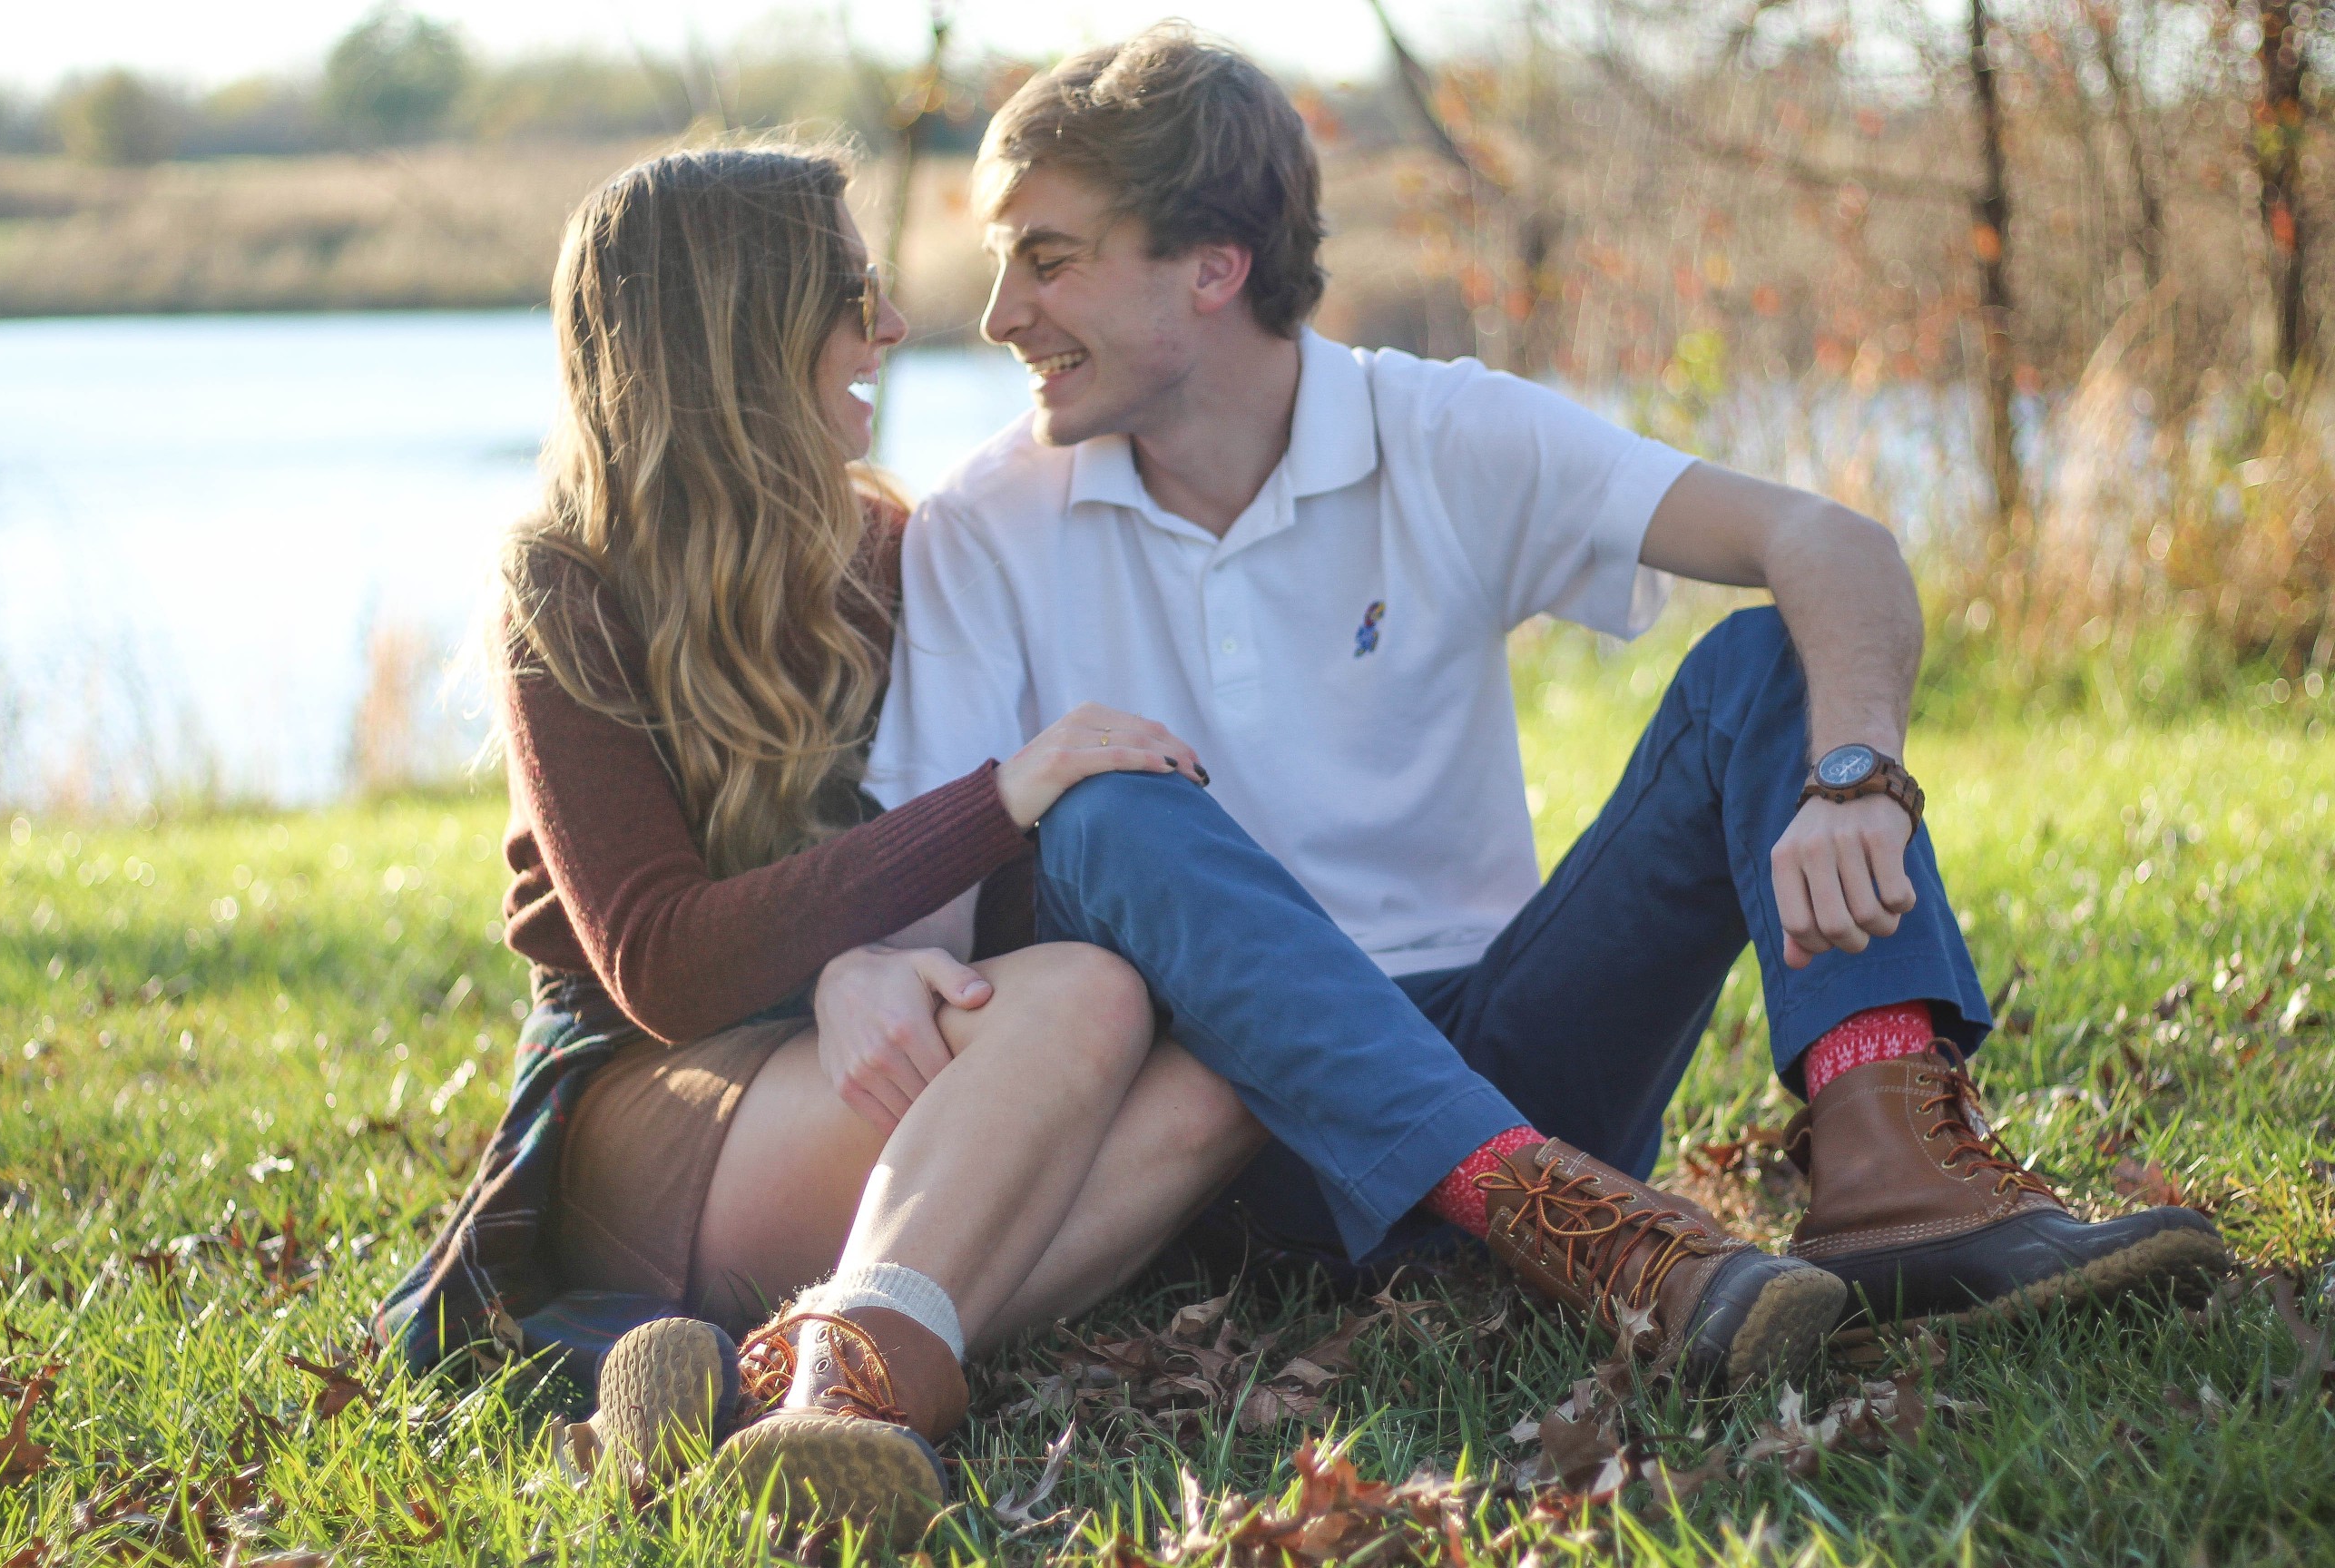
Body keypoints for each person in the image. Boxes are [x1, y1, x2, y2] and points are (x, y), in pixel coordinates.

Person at [865, 25, 2231, 1367]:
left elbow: (1829, 542)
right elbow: (925, 918)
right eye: (1001, 266)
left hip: (1520, 1060)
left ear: (1214, 265)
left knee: (1763, 666)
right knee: (1106, 810)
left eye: (1049, 262)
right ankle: (1559, 1223)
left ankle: (1900, 1188)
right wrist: (854, 981)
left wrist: (1854, 777)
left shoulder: (1441, 432)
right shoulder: (983, 524)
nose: (998, 319)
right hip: (1242, 1131)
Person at [374, 143, 1270, 1541]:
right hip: (655, 1092)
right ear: (740, 326)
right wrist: (996, 800)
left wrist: (882, 948)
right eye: (851, 295)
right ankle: (844, 1391)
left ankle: (766, 1381)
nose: (895, 327)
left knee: (1219, 1080)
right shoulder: (563, 581)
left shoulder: (882, 545)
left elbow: (939, 886)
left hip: (845, 1055)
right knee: (1089, 1004)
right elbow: (660, 962)